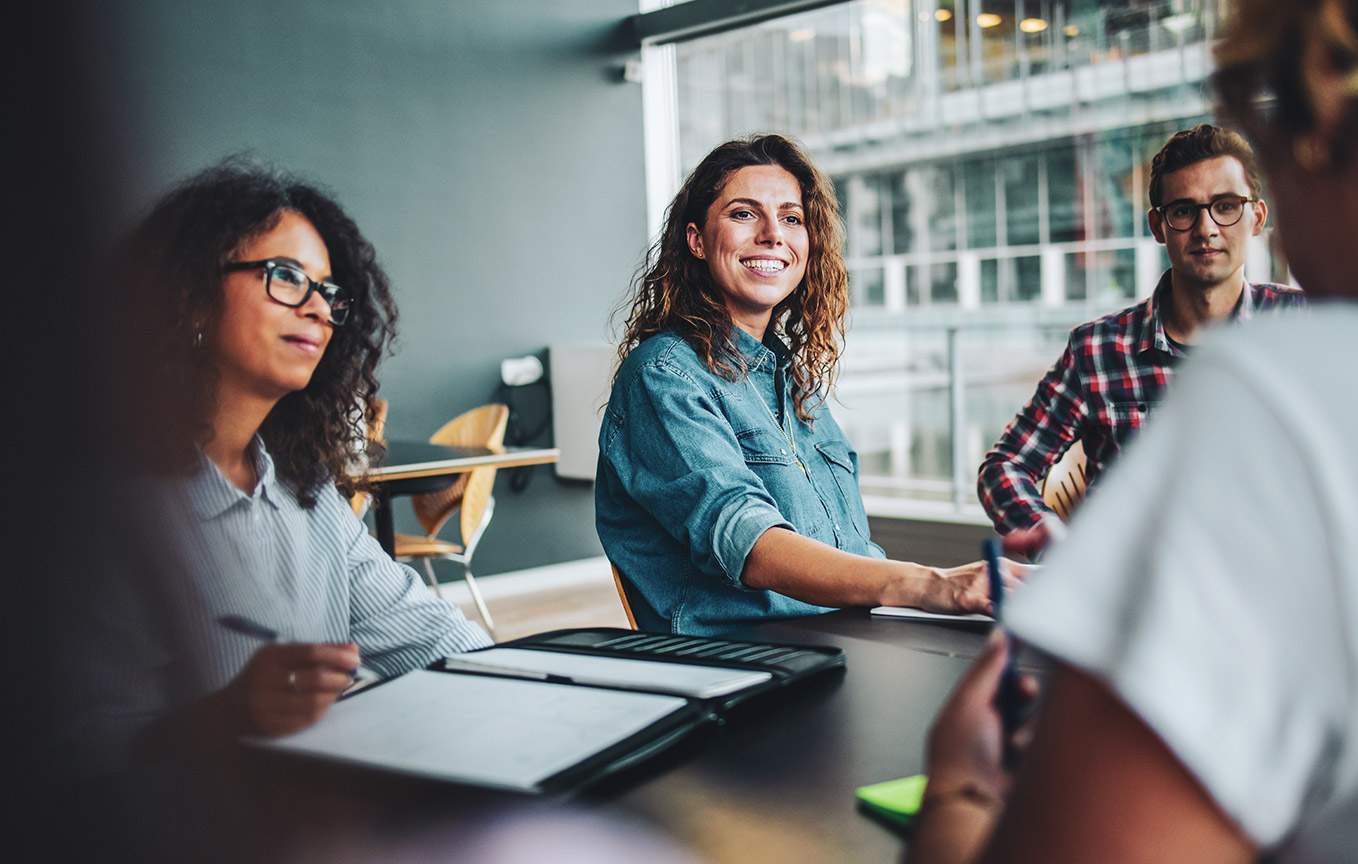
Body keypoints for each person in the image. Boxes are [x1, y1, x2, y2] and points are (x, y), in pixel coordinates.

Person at [909, 1, 1358, 862]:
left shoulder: (1289, 374)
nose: (1209, 227)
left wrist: (960, 789)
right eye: (1184, 212)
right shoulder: (1112, 350)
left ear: (1320, 138)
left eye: (1238, 196)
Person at [68, 160, 491, 768]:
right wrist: (222, 720)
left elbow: (425, 632)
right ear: (187, 296)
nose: (319, 309)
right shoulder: (107, 507)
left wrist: (542, 691)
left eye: (328, 291)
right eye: (287, 277)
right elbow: (58, 756)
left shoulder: (307, 491)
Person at [596, 134, 1022, 636]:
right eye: (743, 214)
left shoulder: (793, 380)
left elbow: (851, 545)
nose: (773, 234)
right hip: (749, 664)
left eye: (791, 218)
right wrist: (930, 584)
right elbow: (746, 539)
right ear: (696, 240)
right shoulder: (665, 374)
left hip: (847, 637)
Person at [977, 124, 1305, 533]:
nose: (1206, 229)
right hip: (1136, 587)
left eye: (1225, 206)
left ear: (1256, 217)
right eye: (1184, 211)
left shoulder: (1304, 327)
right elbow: (1005, 466)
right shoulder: (1096, 350)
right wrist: (1059, 547)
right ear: (1157, 225)